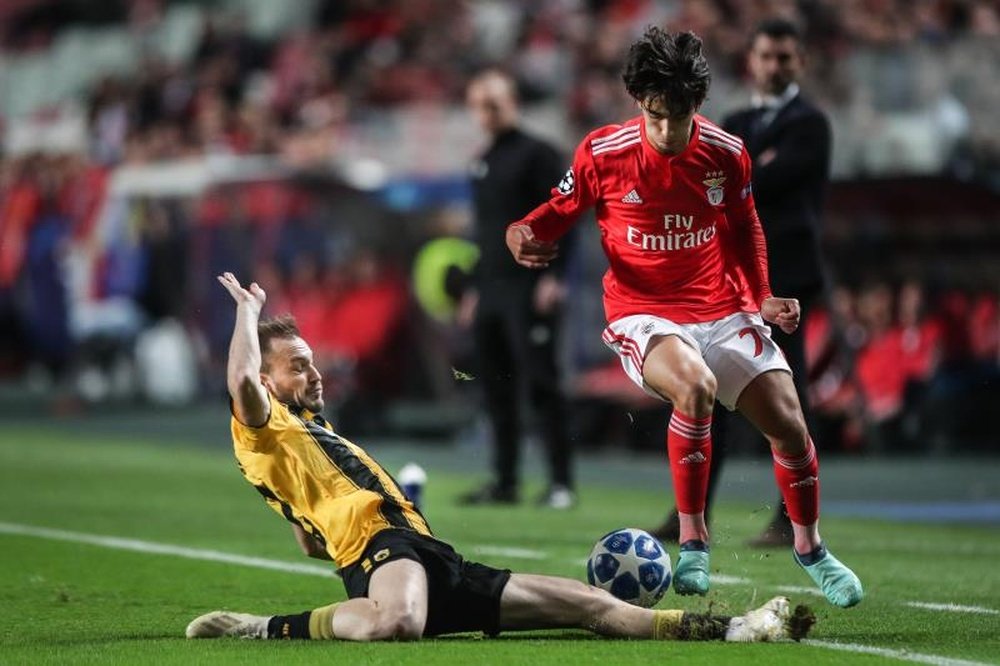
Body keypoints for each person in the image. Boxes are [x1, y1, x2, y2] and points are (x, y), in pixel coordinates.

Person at [185, 272, 813, 644]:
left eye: (313, 358)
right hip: (387, 555)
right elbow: (241, 381)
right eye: (298, 365)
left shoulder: (308, 435)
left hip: (424, 555)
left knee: (590, 606)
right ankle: (264, 627)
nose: (315, 370)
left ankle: (737, 627)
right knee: (396, 623)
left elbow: (310, 543)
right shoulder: (260, 424)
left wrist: (351, 516)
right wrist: (247, 312)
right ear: (267, 380)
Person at [504, 28, 862, 608]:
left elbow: (746, 230)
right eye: (656, 115)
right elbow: (553, 212)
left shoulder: (726, 152)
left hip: (720, 307)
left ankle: (810, 548)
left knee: (791, 425)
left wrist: (762, 298)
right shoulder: (602, 152)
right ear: (638, 103)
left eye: (679, 116)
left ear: (699, 104)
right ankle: (694, 541)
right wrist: (519, 233)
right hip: (641, 312)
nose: (668, 131)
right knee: (695, 387)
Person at [650, 18, 834, 548]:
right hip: (725, 287)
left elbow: (751, 185)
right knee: (705, 392)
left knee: (789, 396)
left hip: (788, 281)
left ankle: (789, 517)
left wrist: (730, 176)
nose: (775, 66)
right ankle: (693, 512)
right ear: (751, 61)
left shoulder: (810, 124)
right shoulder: (731, 122)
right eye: (767, 56)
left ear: (800, 62)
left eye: (785, 57)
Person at [457, 68, 575, 508]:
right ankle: (505, 481)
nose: (487, 112)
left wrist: (554, 276)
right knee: (495, 387)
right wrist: (473, 289)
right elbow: (484, 233)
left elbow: (567, 213)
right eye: (479, 105)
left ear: (513, 103)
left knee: (542, 384)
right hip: (491, 290)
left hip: (530, 287)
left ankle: (561, 482)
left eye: (495, 103)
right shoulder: (481, 161)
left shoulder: (540, 154)